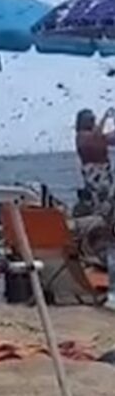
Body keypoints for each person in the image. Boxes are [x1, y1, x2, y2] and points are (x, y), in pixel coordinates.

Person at [75, 108, 115, 308]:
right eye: (90, 119)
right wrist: (106, 117)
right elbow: (97, 138)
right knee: (106, 221)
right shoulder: (82, 137)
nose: (92, 121)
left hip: (105, 179)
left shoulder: (94, 136)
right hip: (97, 181)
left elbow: (108, 138)